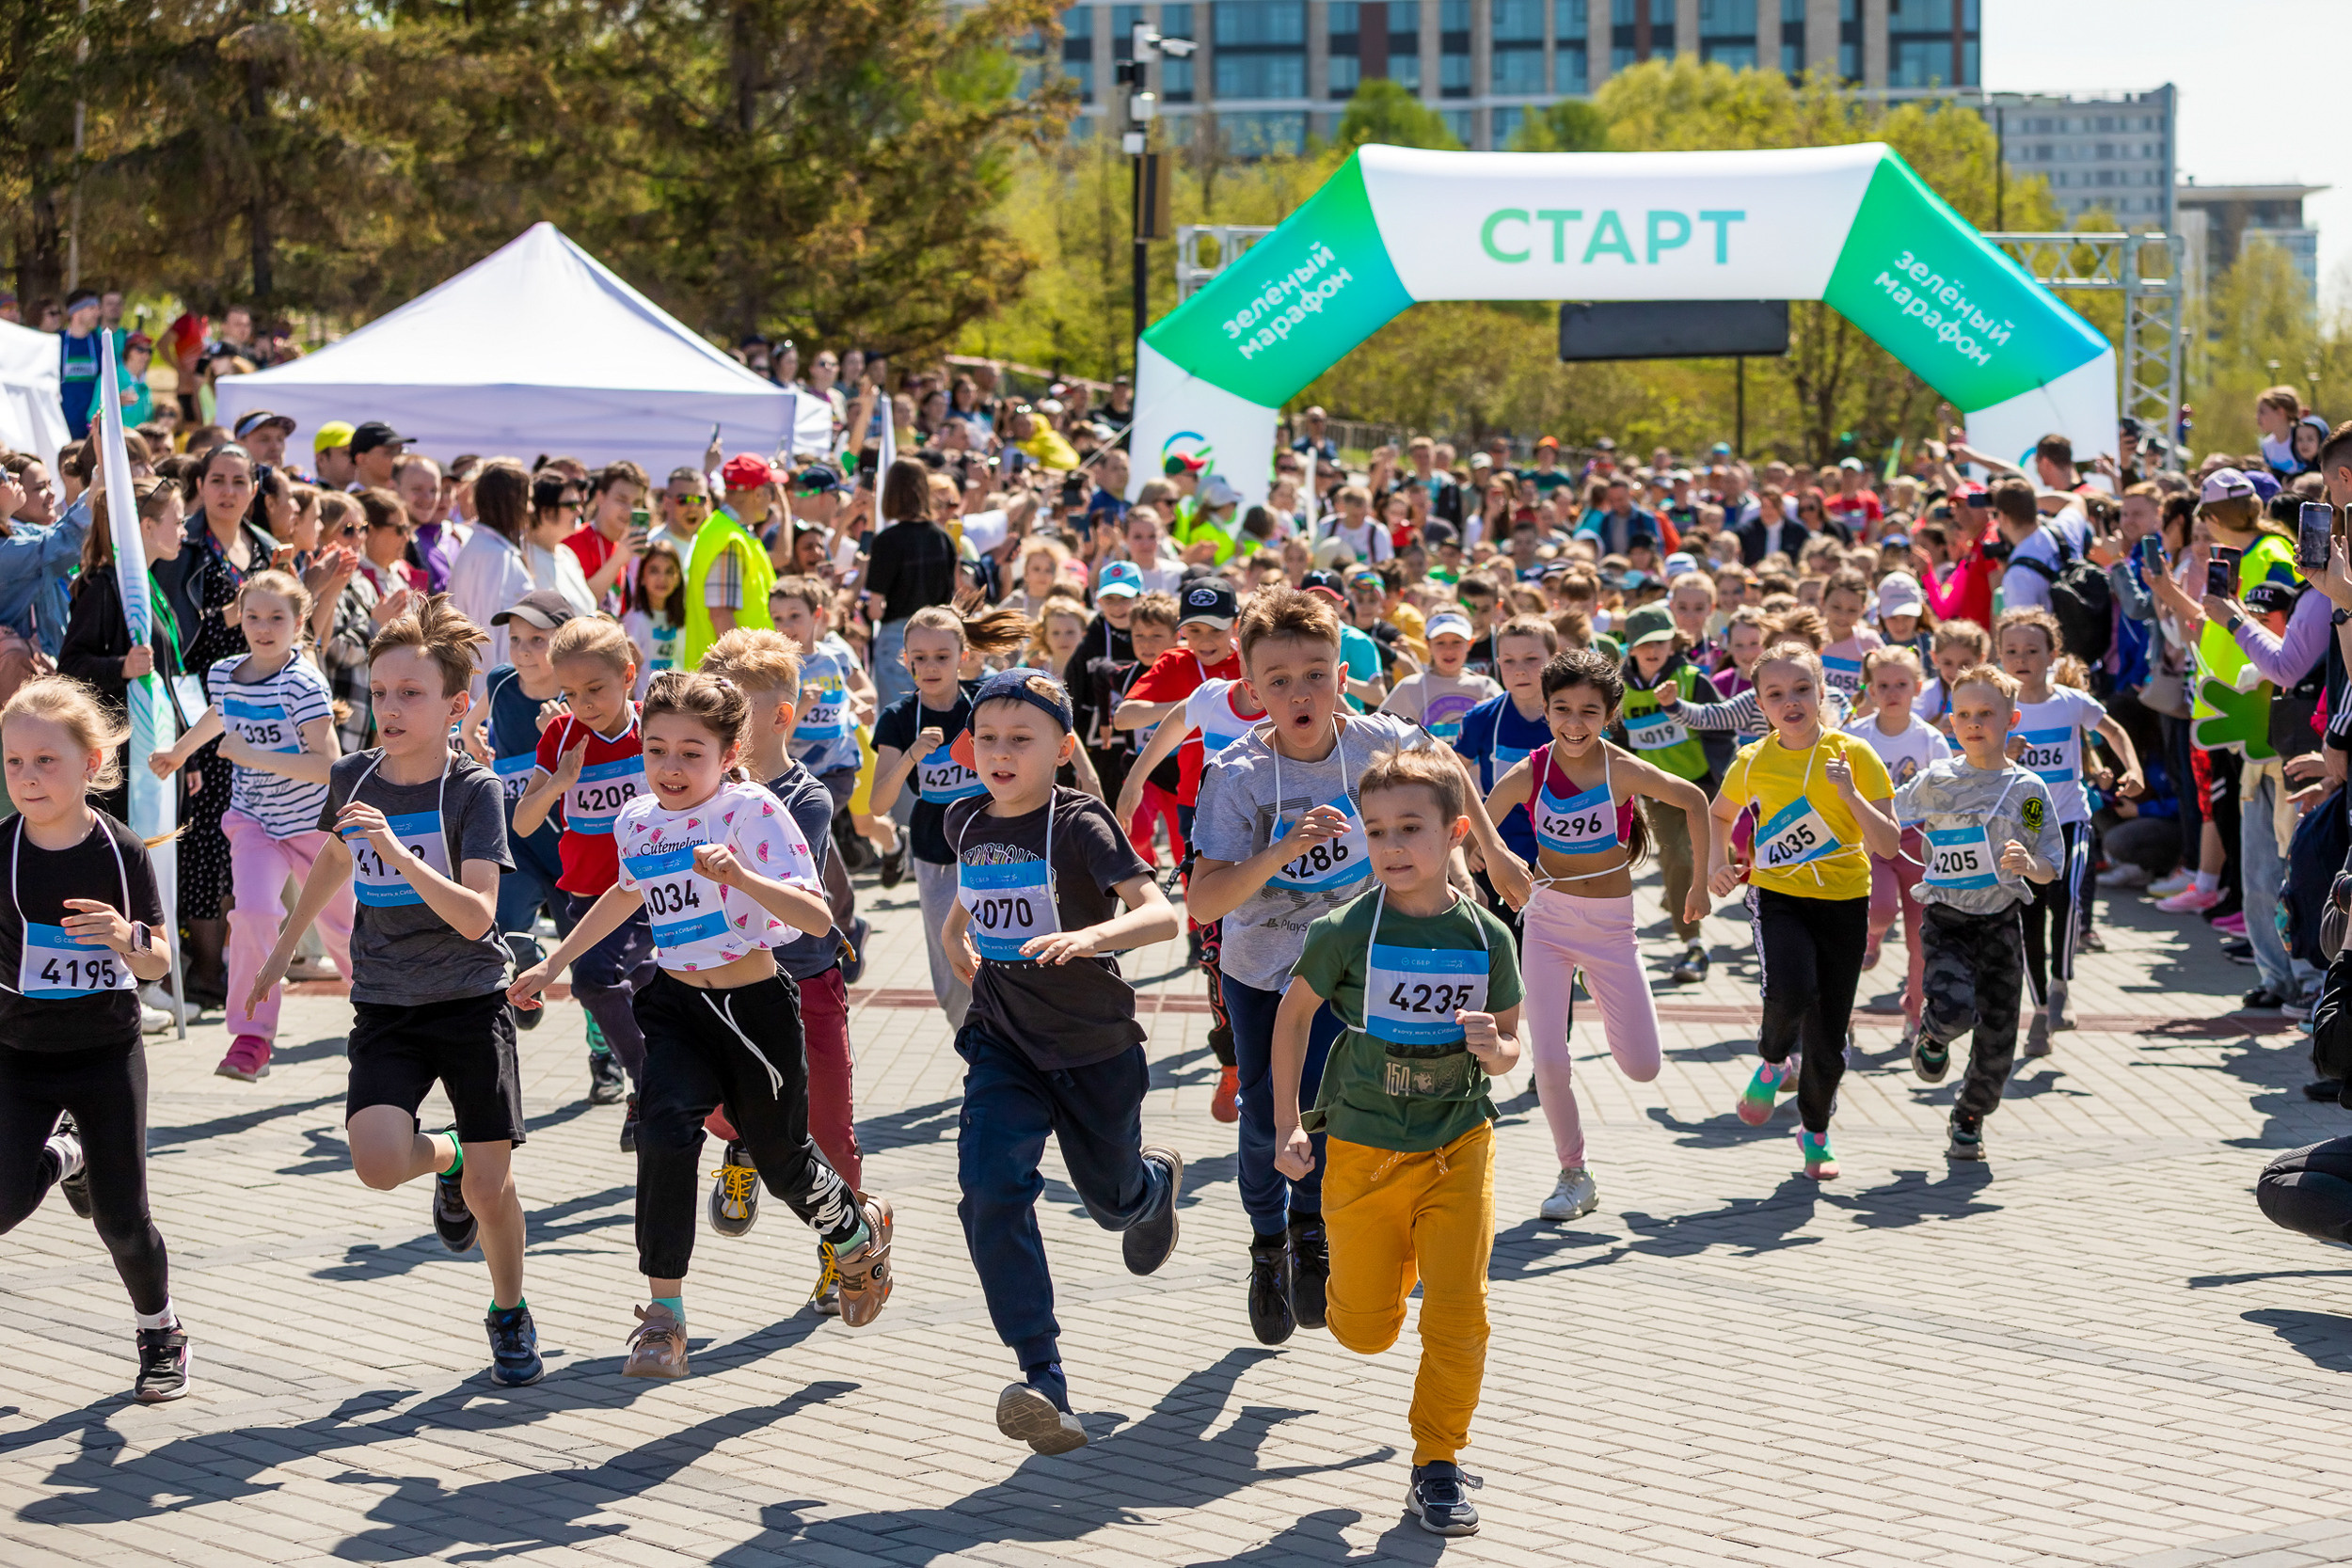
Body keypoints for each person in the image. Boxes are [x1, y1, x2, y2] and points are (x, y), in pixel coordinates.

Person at [509, 670, 896, 1374]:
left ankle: (855, 1230)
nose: (671, 767)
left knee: (783, 1161)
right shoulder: (637, 820)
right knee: (662, 1134)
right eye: (657, 750)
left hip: (754, 1011)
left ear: (729, 752)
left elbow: (815, 916)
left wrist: (742, 877)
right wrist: (554, 962)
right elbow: (624, 894)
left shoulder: (752, 812)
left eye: (692, 751)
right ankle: (665, 1318)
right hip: (677, 1004)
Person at [242, 599, 539, 1385]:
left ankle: (508, 1309)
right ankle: (439, 1157)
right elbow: (338, 859)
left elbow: (478, 918)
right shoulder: (353, 773)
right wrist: (279, 949)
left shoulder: (474, 792)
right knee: (376, 1163)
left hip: (471, 999)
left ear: (455, 705)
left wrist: (400, 855)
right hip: (386, 1002)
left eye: (411, 693)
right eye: (380, 691)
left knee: (492, 1187)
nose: (391, 707)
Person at [1273, 746, 1522, 1537]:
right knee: (1366, 1328)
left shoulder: (1488, 936)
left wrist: (1496, 1048)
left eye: (1409, 827)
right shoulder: (1346, 928)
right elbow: (1292, 1018)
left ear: (1454, 832)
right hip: (1362, 1148)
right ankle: (1341, 1260)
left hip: (1460, 1143)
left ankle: (1438, 1463)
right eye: (1376, 830)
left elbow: (1514, 1045)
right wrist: (1285, 1121)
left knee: (1459, 1311)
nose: (1391, 846)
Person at [938, 668, 1184, 1453]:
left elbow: (1160, 914)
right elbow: (975, 895)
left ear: (1063, 747)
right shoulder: (965, 820)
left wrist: (1089, 937)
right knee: (987, 1186)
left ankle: (1152, 1189)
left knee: (1109, 1201)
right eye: (988, 740)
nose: (1000, 754)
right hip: (1004, 1040)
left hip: (1093, 1046)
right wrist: (954, 937)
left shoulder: (1082, 824)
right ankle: (1042, 1376)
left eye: (1021, 739)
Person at [1187, 587, 1432, 1345]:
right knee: (1268, 1113)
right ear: (1251, 688)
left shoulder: (1378, 744)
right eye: (1281, 679)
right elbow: (1203, 900)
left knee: (1338, 1108)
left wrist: (1489, 860)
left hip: (1354, 967)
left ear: (1343, 674)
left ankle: (1311, 1230)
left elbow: (1449, 784)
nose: (1302, 692)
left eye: (1317, 673)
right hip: (1262, 968)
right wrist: (1282, 850)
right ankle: (1267, 1245)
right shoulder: (1237, 773)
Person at [0, 676, 184, 1401]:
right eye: (14, 762)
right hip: (17, 1052)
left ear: (91, 761)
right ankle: (64, 1152)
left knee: (122, 1219)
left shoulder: (121, 851)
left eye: (46, 760)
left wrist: (126, 935)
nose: (27, 776)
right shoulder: (3, 851)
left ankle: (161, 1332)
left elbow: (160, 960)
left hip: (106, 1053)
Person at [1482, 649, 1708, 1219]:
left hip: (1611, 930)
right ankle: (1573, 1174)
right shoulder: (1532, 769)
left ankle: (1618, 1006)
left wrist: (1699, 885)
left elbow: (1696, 800)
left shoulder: (1621, 768)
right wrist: (1494, 859)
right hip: (1549, 922)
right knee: (1551, 1062)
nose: (1573, 723)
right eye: (1562, 709)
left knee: (1642, 1067)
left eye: (1588, 711)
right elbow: (1477, 824)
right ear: (1547, 710)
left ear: (1609, 714)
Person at [699, 629, 864, 1314]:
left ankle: (842, 1249)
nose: (721, 725)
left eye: (735, 709)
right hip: (720, 982)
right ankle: (741, 1150)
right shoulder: (693, 784)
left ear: (781, 716)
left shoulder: (809, 797)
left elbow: (783, 899)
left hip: (805, 981)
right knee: (710, 1099)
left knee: (827, 1127)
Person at [145, 570, 349, 1082]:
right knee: (254, 916)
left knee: (343, 931)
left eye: (276, 617)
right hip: (255, 823)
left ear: (298, 623)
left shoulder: (302, 684)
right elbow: (221, 714)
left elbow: (329, 765)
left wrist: (253, 754)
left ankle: (385, 1015)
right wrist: (178, 752)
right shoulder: (226, 673)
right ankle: (251, 1037)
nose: (263, 627)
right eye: (253, 616)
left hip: (314, 826)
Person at [1707, 642, 1899, 1181]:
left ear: (1821, 692)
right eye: (1775, 694)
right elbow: (1719, 816)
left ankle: (1814, 1132)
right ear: (1760, 705)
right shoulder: (1753, 762)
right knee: (1791, 990)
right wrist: (1715, 868)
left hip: (1844, 901)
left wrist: (1849, 794)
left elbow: (1886, 844)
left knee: (1830, 1039)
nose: (1790, 702)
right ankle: (1772, 1062)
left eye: (1801, 690)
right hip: (1779, 897)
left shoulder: (1855, 754)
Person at [1892, 661, 2061, 1159]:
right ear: (1950, 720)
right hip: (1946, 918)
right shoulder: (1936, 779)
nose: (1973, 723)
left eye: (1986, 712)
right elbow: (1886, 814)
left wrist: (2030, 864)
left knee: (1999, 1036)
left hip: (2002, 923)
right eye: (1963, 713)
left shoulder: (2029, 789)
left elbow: (2053, 862)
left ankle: (1969, 1116)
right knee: (1953, 1009)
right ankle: (1933, 1035)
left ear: (2012, 720)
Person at [512, 617, 655, 1136]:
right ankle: (654, 1086)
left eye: (595, 689)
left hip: (649, 892)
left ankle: (646, 1081)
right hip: (586, 896)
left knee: (593, 980)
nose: (584, 704)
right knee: (637, 988)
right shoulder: (561, 735)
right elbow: (523, 821)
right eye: (570, 693)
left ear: (629, 677)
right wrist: (558, 784)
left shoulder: (655, 727)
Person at [871, 603, 1032, 1026]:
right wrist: (911, 755)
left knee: (1002, 950)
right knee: (951, 970)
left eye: (942, 656)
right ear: (905, 661)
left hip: (996, 845)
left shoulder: (986, 702)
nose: (930, 666)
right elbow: (877, 804)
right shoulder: (899, 718)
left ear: (962, 657)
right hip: (935, 851)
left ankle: (1005, 1046)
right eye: (919, 658)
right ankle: (973, 1044)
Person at [1995, 608, 2142, 1051]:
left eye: (2033, 651)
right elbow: (1970, 755)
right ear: (2000, 656)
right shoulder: (2000, 707)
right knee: (2029, 921)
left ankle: (2061, 984)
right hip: (2021, 832)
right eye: (2012, 651)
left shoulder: (2070, 702)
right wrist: (2005, 751)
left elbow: (2114, 731)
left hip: (2070, 820)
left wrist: (2131, 767)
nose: (2023, 659)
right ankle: (2040, 1010)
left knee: (2069, 897)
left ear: (2053, 655)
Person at [1840, 646, 1949, 1044]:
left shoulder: (1929, 738)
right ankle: (1872, 938)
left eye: (1901, 684)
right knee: (1880, 909)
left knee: (1921, 938)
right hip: (1871, 838)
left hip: (1919, 840)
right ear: (1869, 689)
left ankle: (1914, 1011)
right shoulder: (1856, 736)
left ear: (1917, 688)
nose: (1892, 692)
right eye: (1882, 685)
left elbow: (1944, 791)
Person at [1611, 604, 1722, 983]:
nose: (1654, 649)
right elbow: (1620, 741)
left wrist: (1723, 784)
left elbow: (1721, 730)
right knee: (1678, 860)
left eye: (1661, 641)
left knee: (1711, 857)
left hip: (1702, 787)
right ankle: (1694, 943)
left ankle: (1687, 890)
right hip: (1658, 795)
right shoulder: (1619, 690)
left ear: (1674, 641)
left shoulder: (1693, 679)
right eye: (1645, 644)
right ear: (1631, 648)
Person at [864, 458, 960, 712]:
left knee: (898, 720)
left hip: (898, 638)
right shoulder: (943, 538)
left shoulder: (887, 540)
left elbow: (876, 609)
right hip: (939, 636)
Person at [1381, 610, 1502, 745]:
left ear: (1470, 643)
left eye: (1456, 642)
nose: (1449, 650)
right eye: (1440, 643)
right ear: (1428, 645)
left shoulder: (1486, 687)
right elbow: (1380, 731)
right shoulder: (1409, 687)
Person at [621, 541, 686, 697]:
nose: (662, 578)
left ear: (678, 578)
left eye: (670, 571)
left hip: (672, 704)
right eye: (654, 571)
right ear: (642, 577)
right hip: (643, 705)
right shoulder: (636, 619)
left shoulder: (679, 618)